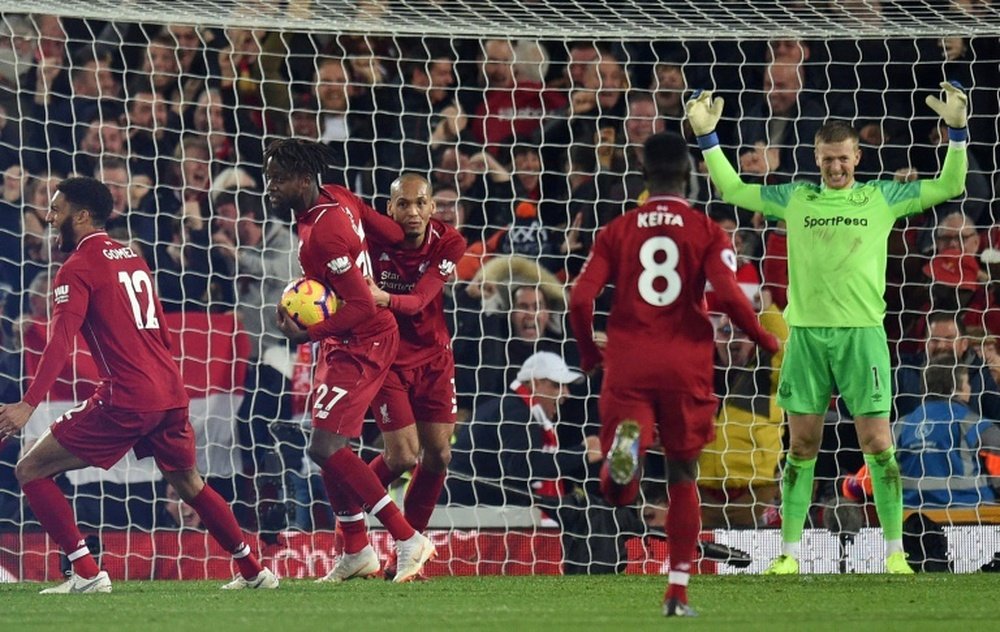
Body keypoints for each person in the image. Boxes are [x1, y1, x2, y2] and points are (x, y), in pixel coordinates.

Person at [685, 80, 969, 575]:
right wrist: (709, 139)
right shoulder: (797, 197)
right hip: (808, 337)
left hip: (863, 335)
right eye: (827, 159)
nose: (835, 167)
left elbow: (950, 187)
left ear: (857, 156)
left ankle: (895, 552)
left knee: (879, 445)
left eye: (843, 158)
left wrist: (959, 132)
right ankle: (789, 555)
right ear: (815, 157)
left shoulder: (882, 197)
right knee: (800, 448)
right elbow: (731, 188)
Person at [0, 177, 277, 592]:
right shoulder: (130, 256)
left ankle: (88, 573)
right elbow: (162, 331)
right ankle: (255, 571)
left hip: (127, 396)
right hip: (169, 390)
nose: (49, 217)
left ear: (81, 215)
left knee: (31, 469)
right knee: (190, 484)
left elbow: (60, 341)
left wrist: (28, 404)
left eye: (56, 210)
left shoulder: (76, 267)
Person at [569, 131, 779, 617]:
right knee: (683, 474)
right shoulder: (708, 230)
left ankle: (629, 451)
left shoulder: (617, 229)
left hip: (629, 360)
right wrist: (764, 338)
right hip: (686, 362)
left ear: (643, 176)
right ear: (688, 177)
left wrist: (587, 354)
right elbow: (728, 296)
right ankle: (677, 592)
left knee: (617, 489)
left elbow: (580, 299)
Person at [265, 139, 434, 583]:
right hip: (351, 341)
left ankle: (406, 536)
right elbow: (395, 234)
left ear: (304, 179)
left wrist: (308, 331)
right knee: (335, 450)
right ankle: (356, 550)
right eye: (268, 179)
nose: (270, 188)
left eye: (277, 180)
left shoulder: (325, 232)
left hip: (361, 343)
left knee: (325, 447)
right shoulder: (337, 196)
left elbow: (362, 304)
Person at [363, 173, 467, 579]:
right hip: (388, 359)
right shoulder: (370, 243)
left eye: (420, 203)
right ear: (389, 209)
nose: (412, 212)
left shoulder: (449, 241)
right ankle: (349, 512)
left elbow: (422, 297)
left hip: (435, 359)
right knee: (402, 457)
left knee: (439, 456)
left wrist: (383, 297)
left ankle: (408, 553)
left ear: (432, 208)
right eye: (403, 204)